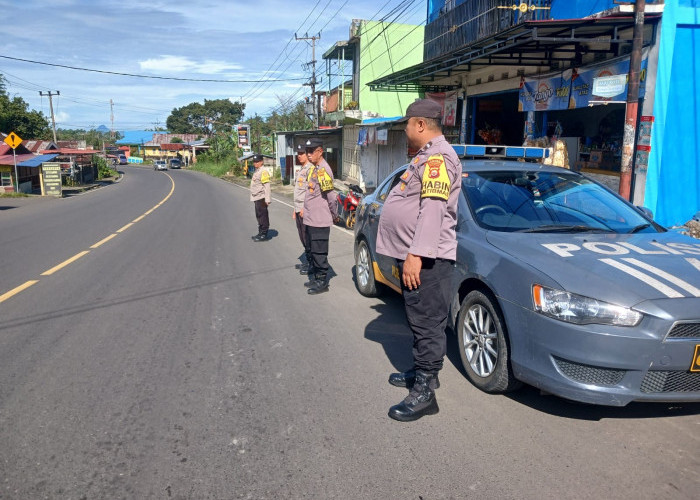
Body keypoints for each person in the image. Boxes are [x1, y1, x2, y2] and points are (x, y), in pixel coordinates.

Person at [375, 99, 461, 422]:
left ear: (421, 125)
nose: (405, 130)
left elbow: (433, 209)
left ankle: (425, 393)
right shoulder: (425, 157)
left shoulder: (438, 159)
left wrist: (416, 253)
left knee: (427, 323)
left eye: (408, 124)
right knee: (418, 318)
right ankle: (421, 372)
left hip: (427, 260)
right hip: (416, 255)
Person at [302, 138, 338, 295]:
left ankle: (322, 281)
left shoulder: (323, 170)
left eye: (311, 151)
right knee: (313, 250)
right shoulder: (316, 168)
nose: (308, 154)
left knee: (319, 252)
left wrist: (334, 215)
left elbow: (331, 197)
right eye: (307, 151)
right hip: (312, 218)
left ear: (320, 151)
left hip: (319, 219)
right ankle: (317, 277)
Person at [293, 144, 312, 274]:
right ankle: (308, 261)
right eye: (298, 154)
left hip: (304, 209)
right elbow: (298, 191)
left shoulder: (310, 169)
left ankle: (311, 264)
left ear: (307, 154)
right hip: (298, 208)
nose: (299, 156)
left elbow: (309, 192)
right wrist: (295, 209)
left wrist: (305, 208)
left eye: (302, 153)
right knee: (302, 236)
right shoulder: (301, 169)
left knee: (307, 237)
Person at [249, 154, 271, 242]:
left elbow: (267, 186)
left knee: (263, 216)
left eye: (257, 162)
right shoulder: (257, 171)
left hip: (261, 197)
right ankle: (260, 232)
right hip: (256, 197)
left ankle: (264, 234)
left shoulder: (263, 171)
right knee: (259, 215)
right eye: (254, 162)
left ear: (261, 162)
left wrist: (267, 199)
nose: (255, 163)